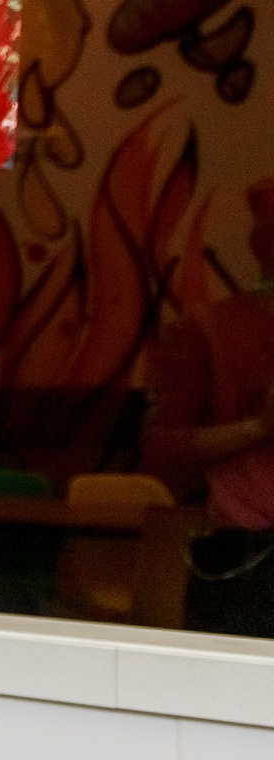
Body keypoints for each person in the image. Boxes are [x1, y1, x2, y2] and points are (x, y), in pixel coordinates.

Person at [143, 181, 274, 636]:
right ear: (263, 249)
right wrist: (258, 427)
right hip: (243, 558)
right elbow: (161, 448)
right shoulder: (208, 329)